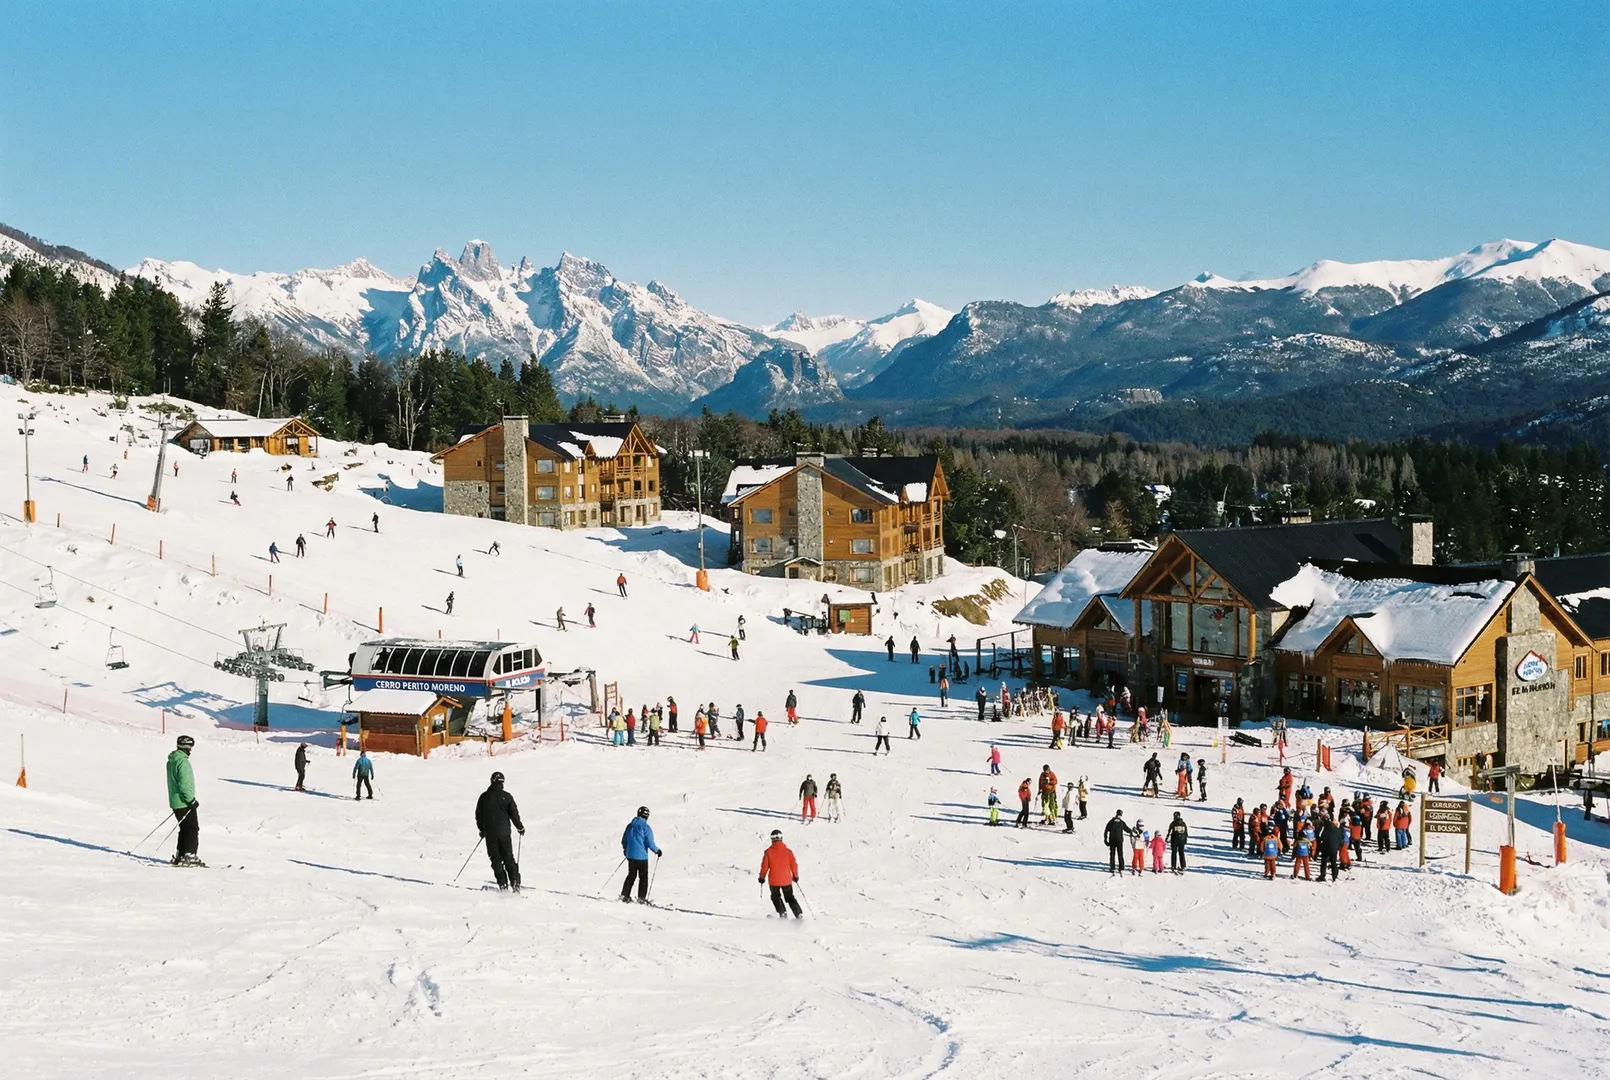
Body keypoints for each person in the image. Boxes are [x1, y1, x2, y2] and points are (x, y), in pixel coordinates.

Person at [475, 771, 525, 892]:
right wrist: (520, 827)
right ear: (502, 782)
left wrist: (482, 830)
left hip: (490, 834)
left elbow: (479, 815)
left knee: (496, 859)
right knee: (508, 858)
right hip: (504, 833)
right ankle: (515, 882)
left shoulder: (483, 797)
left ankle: (502, 884)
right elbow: (514, 814)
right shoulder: (507, 797)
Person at [166, 735, 202, 866]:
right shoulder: (183, 762)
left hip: (175, 801)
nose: (191, 751)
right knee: (192, 828)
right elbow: (184, 784)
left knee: (184, 828)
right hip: (184, 801)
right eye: (190, 747)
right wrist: (191, 800)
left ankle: (180, 855)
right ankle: (190, 855)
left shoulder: (172, 760)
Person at [620, 806, 662, 903]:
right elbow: (649, 843)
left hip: (630, 856)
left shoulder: (630, 826)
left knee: (631, 876)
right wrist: (657, 851)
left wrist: (626, 851)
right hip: (642, 857)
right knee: (643, 878)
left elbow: (624, 840)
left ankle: (624, 896)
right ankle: (641, 899)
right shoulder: (646, 827)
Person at [759, 830, 803, 918]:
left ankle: (782, 912)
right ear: (781, 838)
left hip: (774, 880)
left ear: (772, 839)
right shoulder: (788, 852)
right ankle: (798, 913)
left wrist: (761, 877)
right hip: (786, 879)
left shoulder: (768, 852)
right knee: (790, 897)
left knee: (775, 897)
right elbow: (793, 865)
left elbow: (764, 867)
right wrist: (795, 876)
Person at [1318, 814, 1344, 883]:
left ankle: (1322, 876)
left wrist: (1320, 847)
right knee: (1334, 863)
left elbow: (1322, 838)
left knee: (1324, 863)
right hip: (1334, 848)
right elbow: (1340, 839)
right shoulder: (1338, 830)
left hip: (1326, 849)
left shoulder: (1326, 830)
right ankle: (1334, 876)